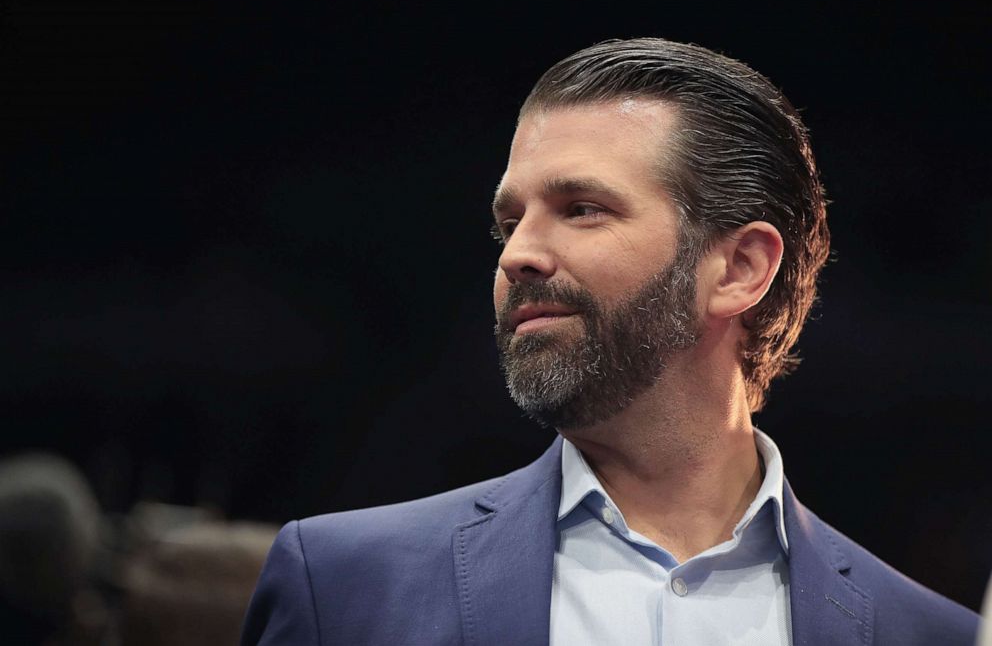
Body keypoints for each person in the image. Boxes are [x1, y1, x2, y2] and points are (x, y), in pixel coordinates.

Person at [241, 38, 979, 645]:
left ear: (740, 268)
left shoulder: (929, 635)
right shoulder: (339, 589)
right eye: (510, 221)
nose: (516, 254)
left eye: (582, 208)